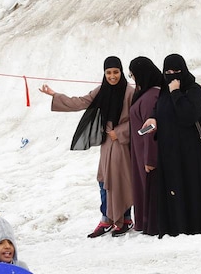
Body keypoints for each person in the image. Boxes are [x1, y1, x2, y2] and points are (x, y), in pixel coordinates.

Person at [39, 56, 134, 238]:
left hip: (121, 145)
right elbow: (81, 102)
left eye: (115, 72)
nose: (112, 76)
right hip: (107, 144)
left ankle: (123, 219)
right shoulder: (101, 91)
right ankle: (108, 219)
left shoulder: (130, 92)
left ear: (121, 72)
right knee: (104, 180)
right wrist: (55, 95)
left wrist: (121, 131)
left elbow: (138, 119)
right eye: (108, 72)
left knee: (119, 180)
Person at [142, 53, 201, 238]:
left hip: (192, 154)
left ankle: (198, 227)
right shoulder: (164, 91)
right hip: (170, 153)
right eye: (168, 72)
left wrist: (176, 92)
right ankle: (176, 227)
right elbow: (160, 110)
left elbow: (188, 115)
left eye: (177, 71)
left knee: (193, 189)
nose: (172, 75)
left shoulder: (194, 90)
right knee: (175, 189)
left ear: (184, 70)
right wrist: (153, 119)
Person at [128, 56, 163, 236]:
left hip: (146, 152)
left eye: (133, 75)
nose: (133, 80)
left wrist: (149, 158)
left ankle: (151, 224)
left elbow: (150, 129)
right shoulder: (148, 94)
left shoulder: (151, 97)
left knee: (148, 189)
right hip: (141, 150)